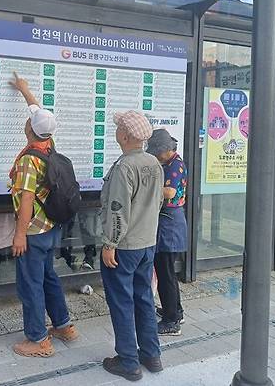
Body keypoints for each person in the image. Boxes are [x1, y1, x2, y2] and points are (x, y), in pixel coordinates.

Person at [7, 72, 78, 357]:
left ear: (29, 129)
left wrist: (19, 234)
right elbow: (39, 114)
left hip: (33, 232)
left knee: (31, 284)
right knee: (48, 276)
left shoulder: (29, 160)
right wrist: (25, 91)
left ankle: (37, 339)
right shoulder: (49, 146)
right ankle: (63, 325)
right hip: (51, 228)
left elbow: (25, 198)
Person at [99, 111, 164, 382]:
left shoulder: (124, 167)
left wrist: (109, 244)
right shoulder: (154, 163)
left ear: (125, 136)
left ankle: (128, 362)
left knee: (122, 302)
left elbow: (117, 210)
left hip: (124, 246)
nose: (116, 132)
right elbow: (158, 202)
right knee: (144, 299)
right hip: (147, 242)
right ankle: (151, 355)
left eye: (118, 129)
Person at [147, 129, 188, 336]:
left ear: (165, 150)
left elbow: (169, 192)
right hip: (170, 223)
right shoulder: (172, 162)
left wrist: (144, 188)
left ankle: (171, 322)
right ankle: (175, 311)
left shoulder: (174, 166)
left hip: (169, 225)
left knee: (166, 274)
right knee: (168, 273)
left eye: (156, 152)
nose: (154, 156)